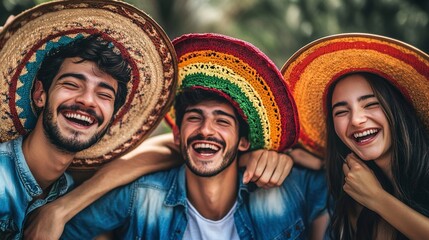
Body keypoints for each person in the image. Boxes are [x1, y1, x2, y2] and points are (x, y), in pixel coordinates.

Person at [60, 33, 329, 240]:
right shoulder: (138, 196)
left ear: (243, 142)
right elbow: (66, 231)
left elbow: (344, 195)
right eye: (194, 117)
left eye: (222, 121)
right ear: (177, 135)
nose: (206, 130)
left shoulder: (293, 187)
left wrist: (306, 157)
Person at [0, 1, 179, 238]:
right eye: (72, 84)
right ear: (39, 94)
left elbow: (174, 146)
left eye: (104, 95)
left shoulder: (66, 187)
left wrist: (61, 209)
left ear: (113, 116)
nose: (87, 101)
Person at [281, 33, 429, 239]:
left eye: (371, 104)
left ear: (397, 109)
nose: (356, 120)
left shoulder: (372, 193)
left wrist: (377, 198)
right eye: (341, 111)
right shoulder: (353, 199)